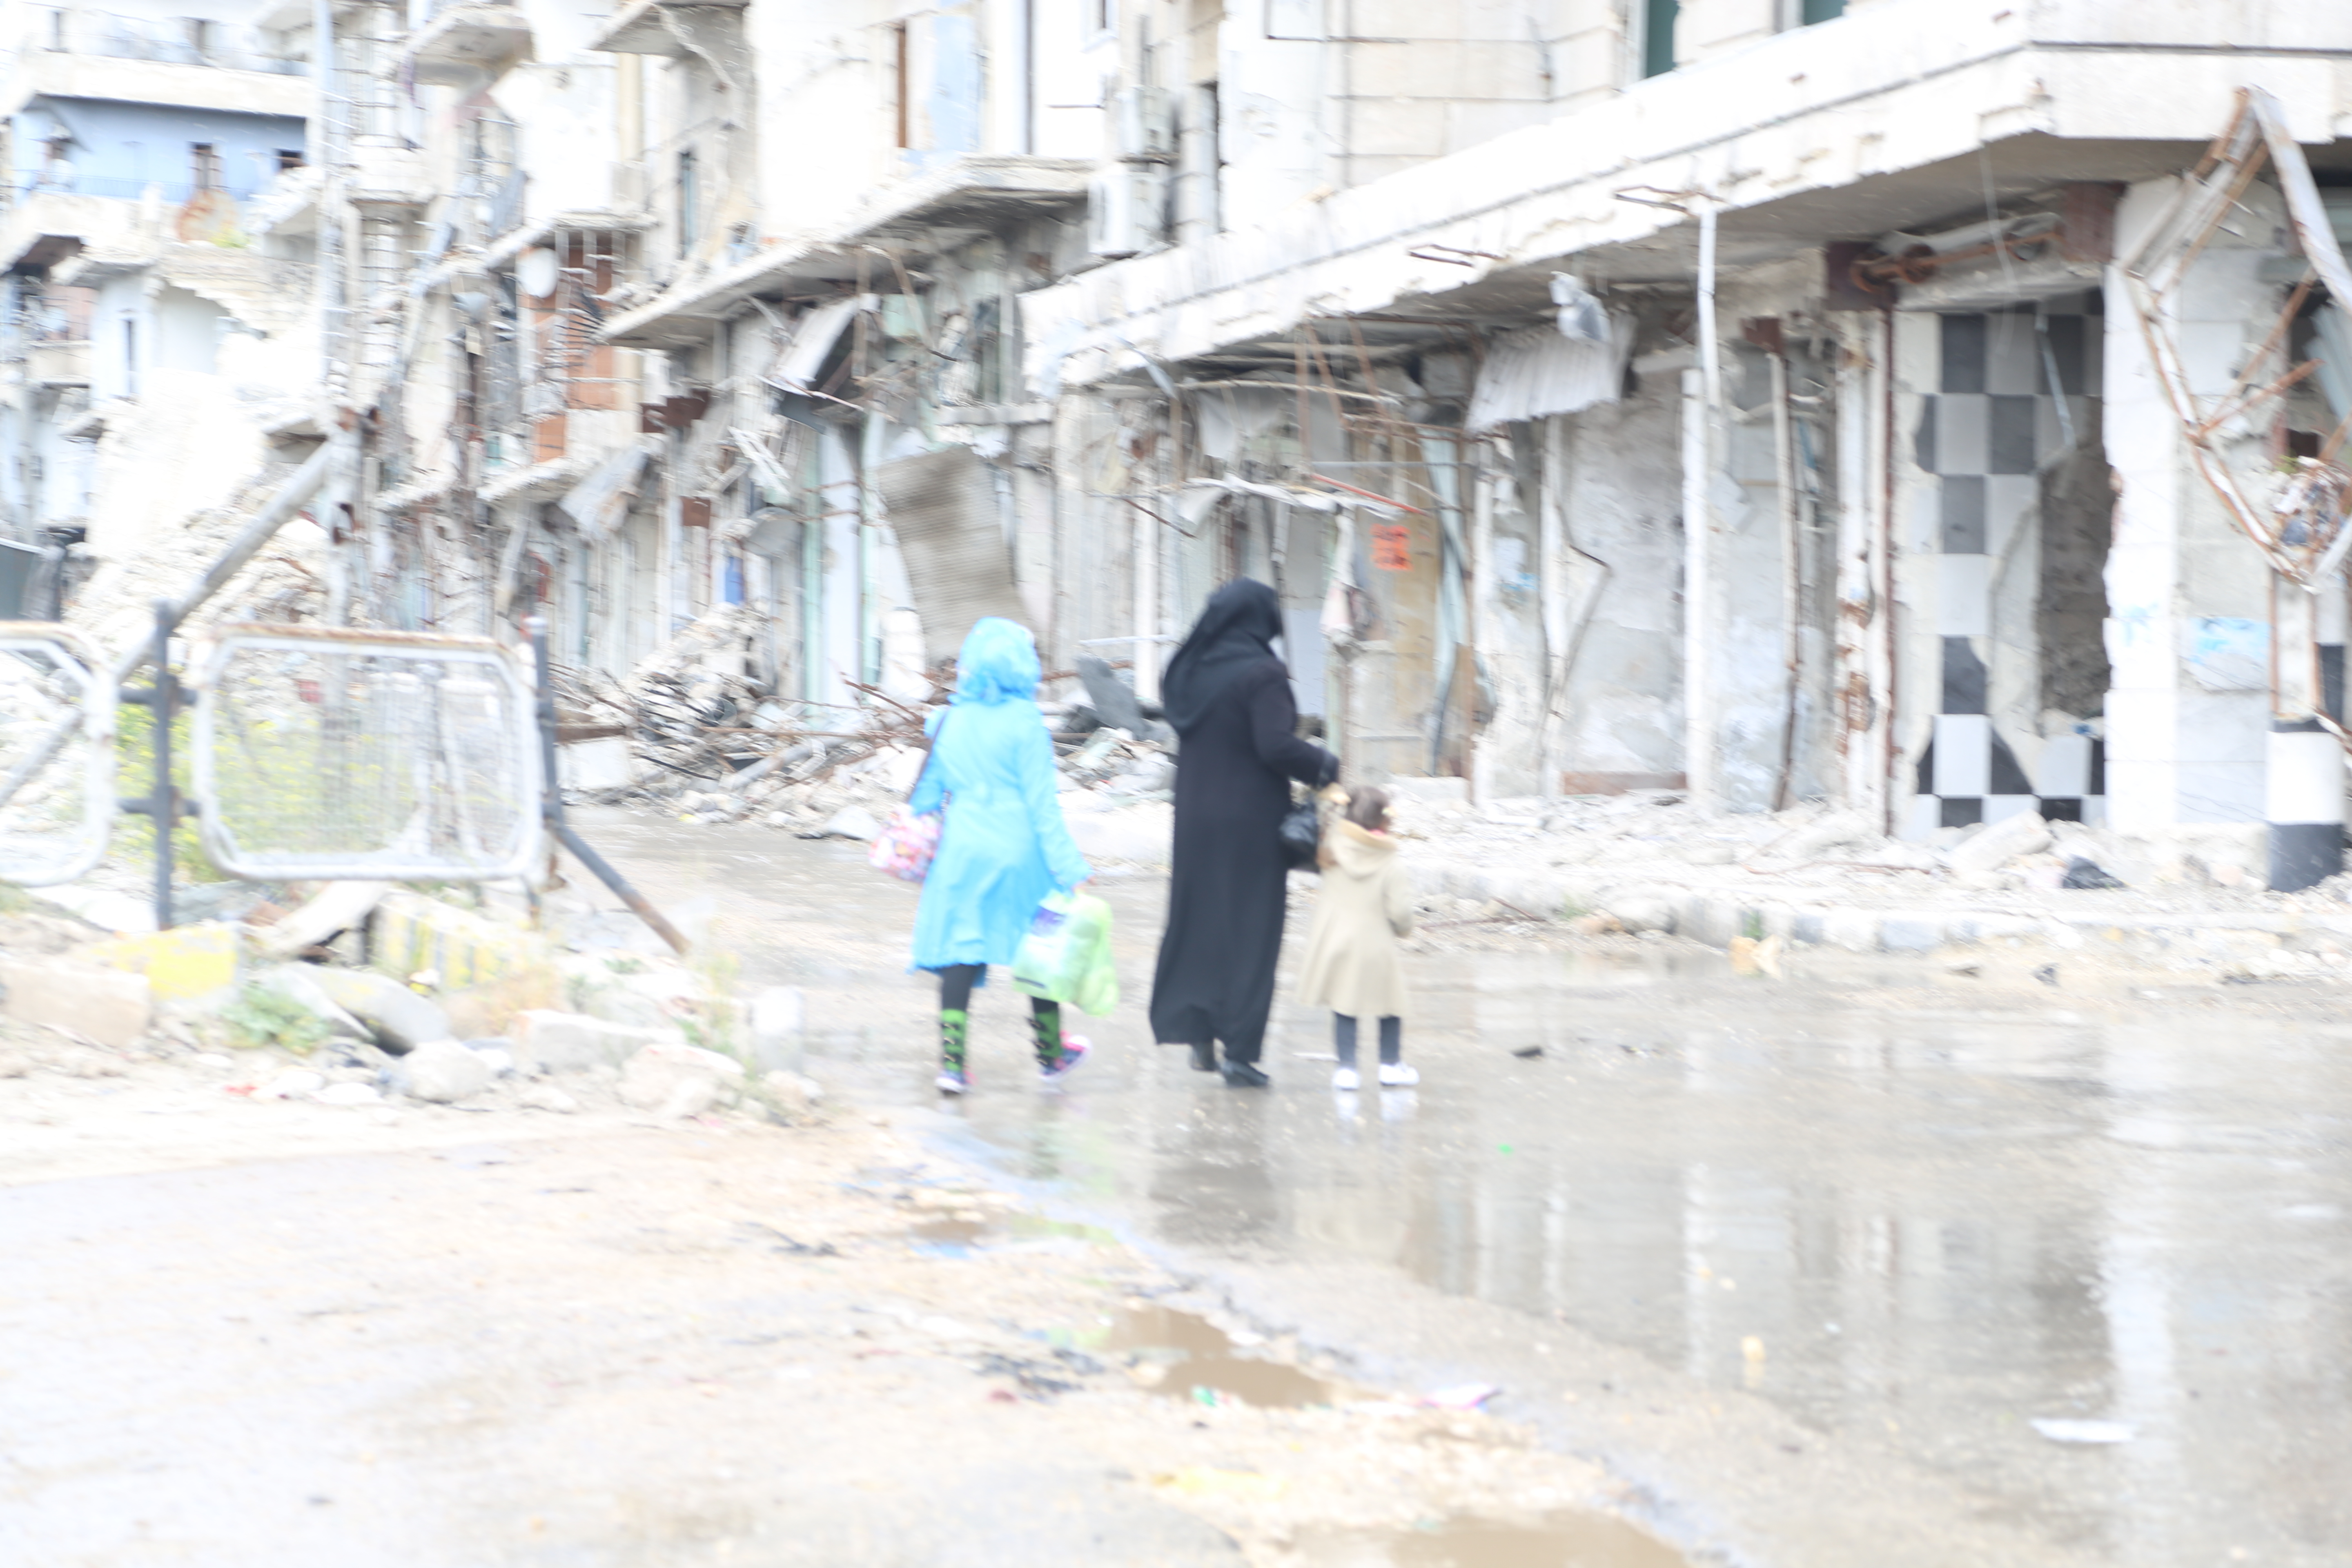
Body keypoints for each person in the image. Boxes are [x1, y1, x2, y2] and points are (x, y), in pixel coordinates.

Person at [1149, 579, 1339, 1087]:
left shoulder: (1187, 673)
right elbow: (1275, 745)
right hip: (1250, 823)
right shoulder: (1263, 673)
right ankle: (1240, 1051)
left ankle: (1198, 1033)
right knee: (1252, 932)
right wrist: (1325, 764)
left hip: (1194, 818)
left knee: (1199, 924)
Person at [907, 617, 1092, 1095]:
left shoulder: (949, 720)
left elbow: (926, 799)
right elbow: (1043, 805)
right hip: (1021, 853)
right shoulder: (1026, 722)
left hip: (963, 850)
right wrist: (1070, 869)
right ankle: (1051, 1056)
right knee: (1038, 952)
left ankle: (952, 1066)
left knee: (960, 954)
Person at [1294, 786, 1417, 1089]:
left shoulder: (1331, 848)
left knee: (1344, 1003)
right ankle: (1390, 1065)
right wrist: (1403, 930)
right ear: (1384, 822)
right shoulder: (1391, 861)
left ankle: (1347, 1069)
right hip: (1375, 944)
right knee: (1390, 1004)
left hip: (1335, 940)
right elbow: (1400, 911)